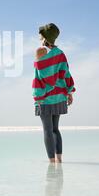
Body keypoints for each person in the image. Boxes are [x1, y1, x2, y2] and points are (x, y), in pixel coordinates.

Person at [33, 23, 76, 163]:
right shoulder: (60, 54)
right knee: (56, 129)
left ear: (44, 36)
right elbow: (66, 73)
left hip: (45, 97)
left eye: (41, 33)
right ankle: (59, 160)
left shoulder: (40, 51)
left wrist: (38, 95)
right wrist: (69, 92)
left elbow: (40, 75)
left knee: (47, 130)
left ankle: (51, 163)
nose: (39, 35)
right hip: (59, 96)